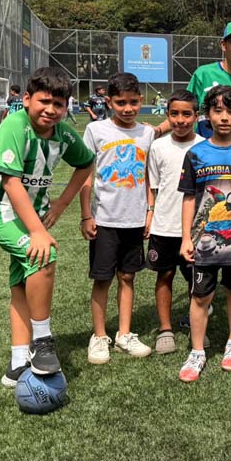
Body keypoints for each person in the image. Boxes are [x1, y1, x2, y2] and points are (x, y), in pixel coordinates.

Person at [0, 67, 95, 387]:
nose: (51, 110)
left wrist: (61, 204)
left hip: (35, 212)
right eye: (44, 101)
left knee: (21, 283)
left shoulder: (63, 135)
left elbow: (86, 163)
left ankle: (17, 363)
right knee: (43, 256)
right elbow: (11, 183)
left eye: (59, 104)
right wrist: (39, 232)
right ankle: (42, 341)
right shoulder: (14, 125)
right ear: (27, 99)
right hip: (0, 209)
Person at [162, 19, 231, 322]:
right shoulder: (203, 74)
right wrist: (158, 130)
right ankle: (202, 296)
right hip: (207, 167)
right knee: (199, 230)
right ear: (223, 44)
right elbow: (185, 109)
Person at [178, 86, 231, 382]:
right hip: (203, 241)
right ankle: (197, 351)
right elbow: (189, 197)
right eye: (218, 111)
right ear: (207, 115)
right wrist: (186, 238)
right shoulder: (195, 154)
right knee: (200, 295)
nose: (224, 117)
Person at [79, 72, 154, 365]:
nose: (128, 108)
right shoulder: (96, 130)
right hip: (105, 220)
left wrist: (149, 211)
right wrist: (86, 215)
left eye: (133, 102)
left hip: (134, 220)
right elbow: (85, 176)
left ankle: (124, 333)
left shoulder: (146, 133)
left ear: (141, 101)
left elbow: (147, 176)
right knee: (102, 279)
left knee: (128, 276)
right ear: (109, 102)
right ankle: (99, 336)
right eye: (121, 103)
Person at [146, 90, 205, 354]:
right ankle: (165, 329)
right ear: (167, 115)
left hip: (197, 229)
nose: (180, 120)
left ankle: (197, 326)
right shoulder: (158, 147)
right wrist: (150, 214)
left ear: (197, 116)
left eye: (186, 114)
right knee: (165, 275)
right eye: (174, 114)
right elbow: (153, 186)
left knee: (197, 279)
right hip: (165, 225)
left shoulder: (205, 147)